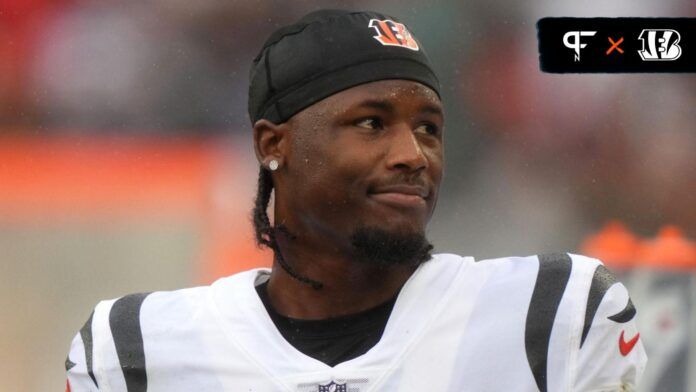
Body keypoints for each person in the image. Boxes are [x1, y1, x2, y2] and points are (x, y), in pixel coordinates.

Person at [65, 9, 646, 391]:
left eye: (428, 129)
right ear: (275, 145)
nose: (413, 155)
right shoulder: (135, 348)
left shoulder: (555, 315)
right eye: (372, 123)